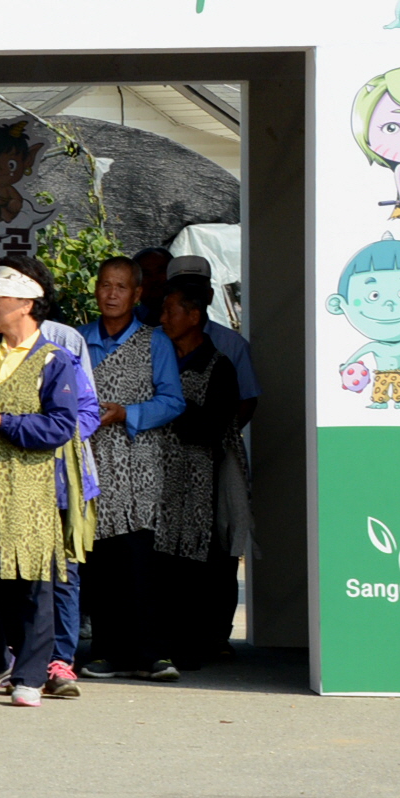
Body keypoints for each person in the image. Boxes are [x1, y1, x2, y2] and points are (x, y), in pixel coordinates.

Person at [0, 267, 93, 710]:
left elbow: (60, 425)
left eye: (0, 299)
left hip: (32, 485)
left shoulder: (55, 359)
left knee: (33, 581)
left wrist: (0, 421)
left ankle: (32, 675)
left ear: (26, 305)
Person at [0, 253, 103, 697]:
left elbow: (86, 410)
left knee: (62, 569)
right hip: (5, 476)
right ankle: (13, 661)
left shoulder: (63, 342)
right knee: (11, 565)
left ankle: (60, 661)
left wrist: (52, 444)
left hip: (60, 474)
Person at [78, 258, 185, 682]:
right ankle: (105, 651)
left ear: (137, 294)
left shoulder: (154, 342)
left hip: (137, 462)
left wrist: (128, 413)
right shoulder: (78, 341)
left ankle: (150, 653)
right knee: (98, 561)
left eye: (121, 287)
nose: (111, 294)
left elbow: (173, 401)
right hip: (90, 462)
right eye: (105, 285)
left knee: (138, 559)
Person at [157, 281, 246, 674]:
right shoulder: (159, 357)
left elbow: (213, 426)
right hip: (159, 477)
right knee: (162, 562)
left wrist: (171, 408)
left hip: (200, 480)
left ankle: (197, 643)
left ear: (194, 317)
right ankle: (162, 642)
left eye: (170, 312)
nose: (163, 319)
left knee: (201, 561)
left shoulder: (218, 366)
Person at [166, 254, 260, 428]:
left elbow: (247, 401)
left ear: (209, 296)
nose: (189, 300)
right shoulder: (151, 341)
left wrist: (218, 439)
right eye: (181, 292)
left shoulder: (233, 344)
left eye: (195, 293)